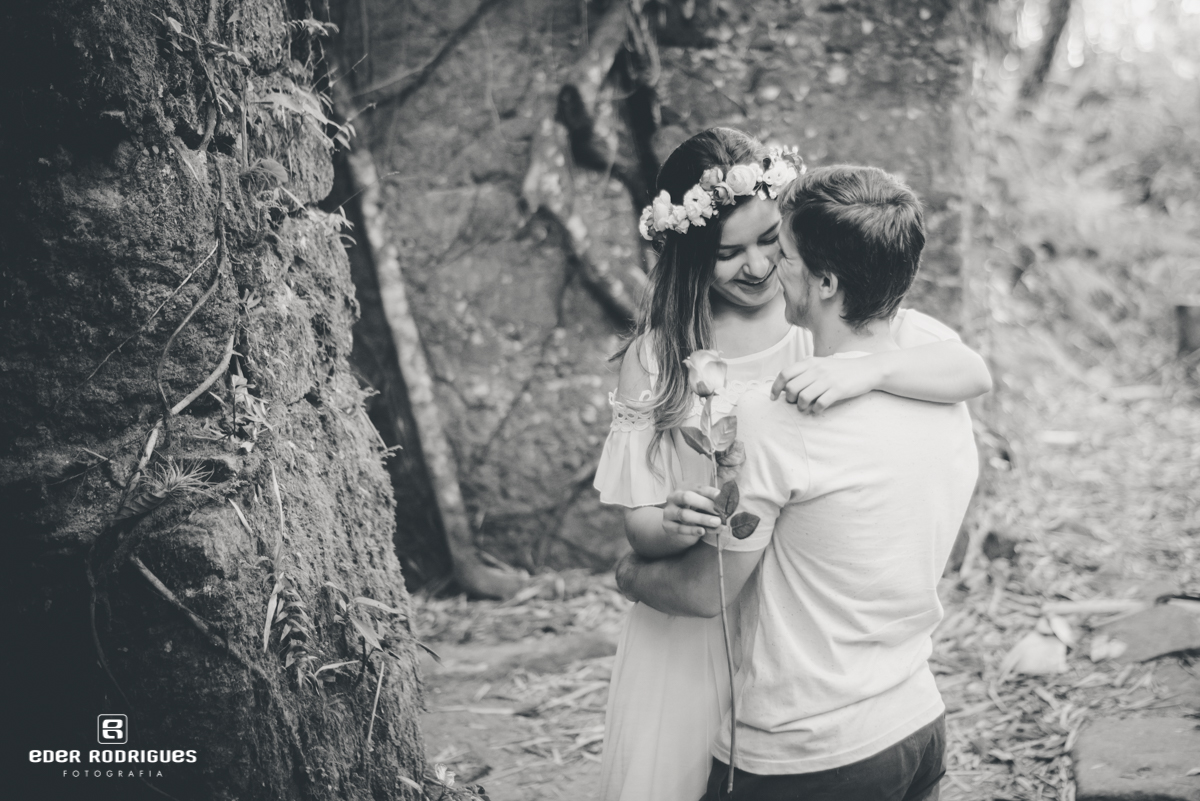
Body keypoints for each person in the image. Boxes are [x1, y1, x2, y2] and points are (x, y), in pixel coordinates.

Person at [594, 130, 989, 801]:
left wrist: (873, 370)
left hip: (803, 630)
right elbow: (641, 527)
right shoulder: (658, 357)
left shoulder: (819, 308)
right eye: (729, 253)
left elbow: (967, 367)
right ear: (691, 254)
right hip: (699, 620)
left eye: (771, 241)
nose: (758, 266)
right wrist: (675, 522)